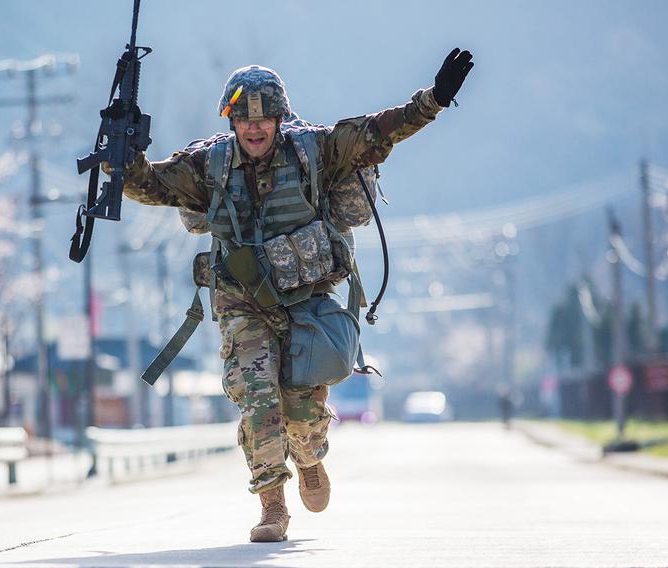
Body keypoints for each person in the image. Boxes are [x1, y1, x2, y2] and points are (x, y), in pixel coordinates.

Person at [112, 48, 474, 542]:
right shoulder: (208, 165)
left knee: (303, 413)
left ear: (281, 119)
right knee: (258, 400)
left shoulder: (313, 151)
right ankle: (272, 507)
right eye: (245, 119)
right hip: (242, 302)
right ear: (233, 121)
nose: (255, 129)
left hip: (307, 297)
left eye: (265, 119)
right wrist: (125, 152)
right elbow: (149, 186)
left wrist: (433, 100)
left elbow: (377, 132)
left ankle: (308, 457)